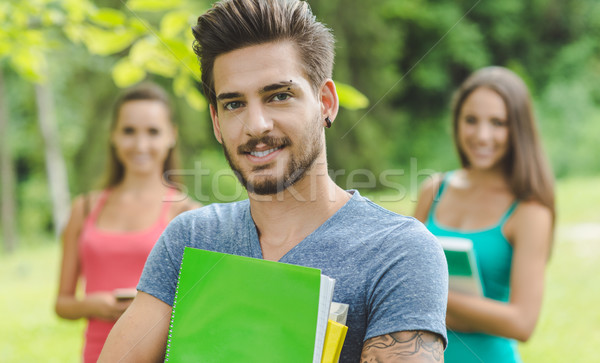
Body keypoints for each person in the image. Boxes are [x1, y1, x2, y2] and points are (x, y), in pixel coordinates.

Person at [99, 1, 448, 362]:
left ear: (325, 102)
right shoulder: (189, 239)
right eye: (234, 104)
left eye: (279, 96)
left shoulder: (398, 251)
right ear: (217, 123)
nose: (256, 125)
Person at [414, 66, 555, 363]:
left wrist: (432, 295)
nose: (482, 135)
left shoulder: (530, 210)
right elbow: (404, 274)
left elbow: (522, 322)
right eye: (471, 120)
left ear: (517, 129)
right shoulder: (434, 190)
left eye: (498, 122)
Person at [55, 82, 200, 362]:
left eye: (153, 132)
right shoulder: (84, 209)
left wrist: (149, 307)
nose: (140, 144)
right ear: (113, 136)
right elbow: (62, 304)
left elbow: (200, 308)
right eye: (129, 131)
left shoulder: (187, 214)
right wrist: (92, 305)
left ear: (172, 136)